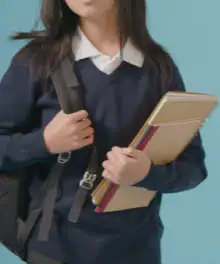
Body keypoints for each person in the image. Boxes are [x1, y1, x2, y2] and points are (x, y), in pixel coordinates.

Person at [0, 0, 208, 263]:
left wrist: (146, 173)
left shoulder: (159, 69)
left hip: (137, 250)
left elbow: (194, 167)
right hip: (54, 248)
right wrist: (44, 142)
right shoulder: (36, 62)